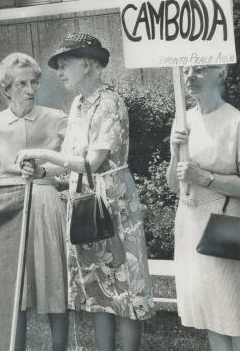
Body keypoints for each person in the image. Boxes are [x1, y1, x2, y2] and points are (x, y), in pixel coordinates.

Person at [16, 32, 154, 351]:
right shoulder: (78, 104)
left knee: (126, 287)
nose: (60, 72)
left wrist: (44, 155)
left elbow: (92, 161)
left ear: (88, 64)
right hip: (84, 201)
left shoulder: (109, 101)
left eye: (65, 64)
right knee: (96, 289)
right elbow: (70, 163)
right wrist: (41, 171)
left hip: (113, 201)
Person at [167, 65, 240, 351]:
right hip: (190, 223)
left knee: (237, 316)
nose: (190, 76)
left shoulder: (236, 122)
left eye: (199, 69)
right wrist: (175, 152)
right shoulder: (184, 119)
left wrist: (205, 178)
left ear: (220, 74)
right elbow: (175, 185)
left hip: (224, 223)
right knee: (211, 314)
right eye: (186, 70)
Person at [0, 53, 69, 351]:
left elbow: (72, 170)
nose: (30, 89)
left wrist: (45, 171)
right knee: (13, 290)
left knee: (54, 284)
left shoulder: (56, 118)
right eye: (21, 84)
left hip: (45, 205)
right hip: (8, 211)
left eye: (34, 82)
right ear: (6, 89)